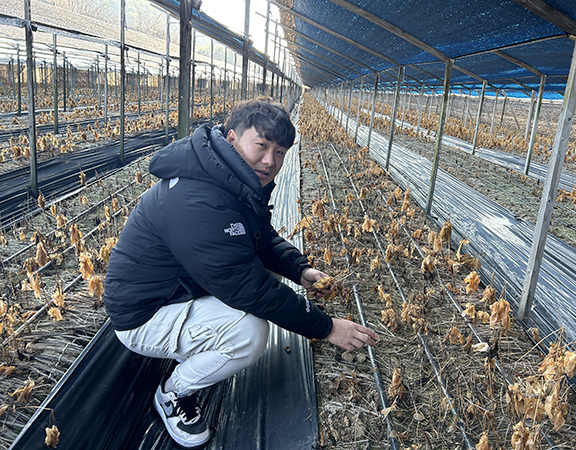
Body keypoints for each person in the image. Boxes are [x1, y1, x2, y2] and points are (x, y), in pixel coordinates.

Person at [103, 97, 377, 449]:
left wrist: (299, 268)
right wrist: (327, 328)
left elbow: (258, 239)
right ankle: (172, 394)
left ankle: (201, 350)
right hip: (144, 314)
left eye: (280, 152)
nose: (270, 161)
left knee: (265, 281)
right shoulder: (198, 198)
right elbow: (249, 287)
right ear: (232, 138)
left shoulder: (228, 176)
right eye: (261, 146)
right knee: (248, 333)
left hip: (178, 290)